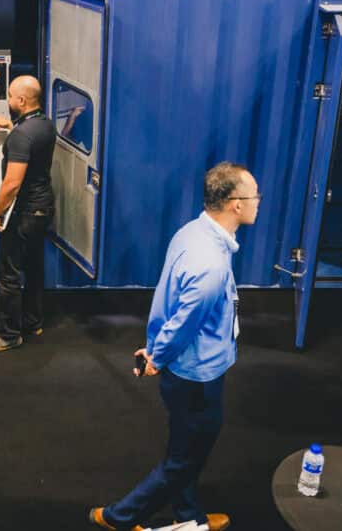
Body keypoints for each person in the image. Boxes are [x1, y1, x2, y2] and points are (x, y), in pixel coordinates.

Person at [88, 162, 260, 531]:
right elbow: (184, 322)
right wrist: (157, 357)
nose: (258, 202)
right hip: (197, 376)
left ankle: (190, 516)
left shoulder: (194, 232)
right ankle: (121, 517)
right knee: (185, 458)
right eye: (254, 196)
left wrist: (155, 352)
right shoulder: (211, 264)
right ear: (234, 204)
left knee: (186, 448)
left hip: (189, 370)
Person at [0, 75, 56, 353]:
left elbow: (12, 184)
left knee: (7, 273)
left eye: (10, 96)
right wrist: (10, 126)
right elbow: (28, 137)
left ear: (21, 101)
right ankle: (33, 322)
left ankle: (8, 334)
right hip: (43, 208)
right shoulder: (44, 124)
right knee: (33, 267)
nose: (8, 100)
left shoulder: (21, 136)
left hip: (23, 213)